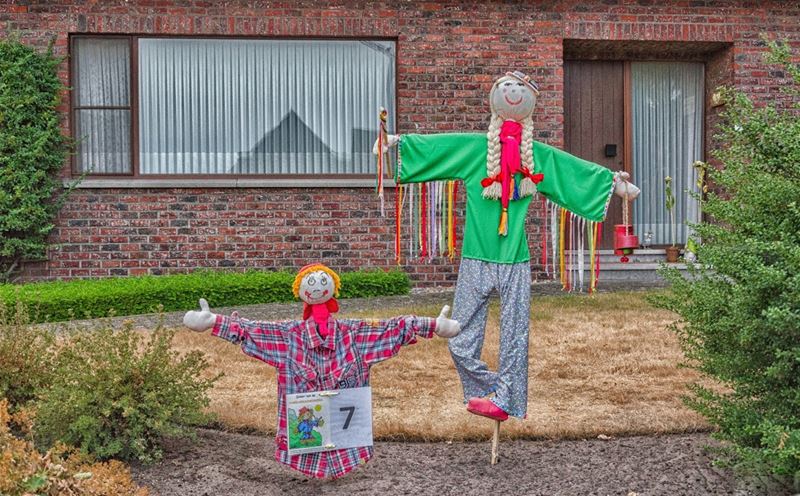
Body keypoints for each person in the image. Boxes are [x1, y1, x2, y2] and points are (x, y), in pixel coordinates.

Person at [375, 71, 640, 422]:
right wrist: (395, 142)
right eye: (507, 89)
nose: (513, 94)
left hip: (515, 259)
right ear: (496, 99)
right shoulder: (475, 150)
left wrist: (613, 185)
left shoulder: (536, 157)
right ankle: (498, 389)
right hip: (475, 257)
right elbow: (439, 146)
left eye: (520, 90)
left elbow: (569, 171)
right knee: (459, 339)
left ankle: (506, 399)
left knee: (515, 338)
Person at [182, 263, 460, 479]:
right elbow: (251, 330)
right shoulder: (288, 337)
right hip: (304, 442)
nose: (316, 287)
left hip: (350, 445)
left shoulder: (356, 336)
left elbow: (394, 327)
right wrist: (214, 322)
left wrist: (432, 325)